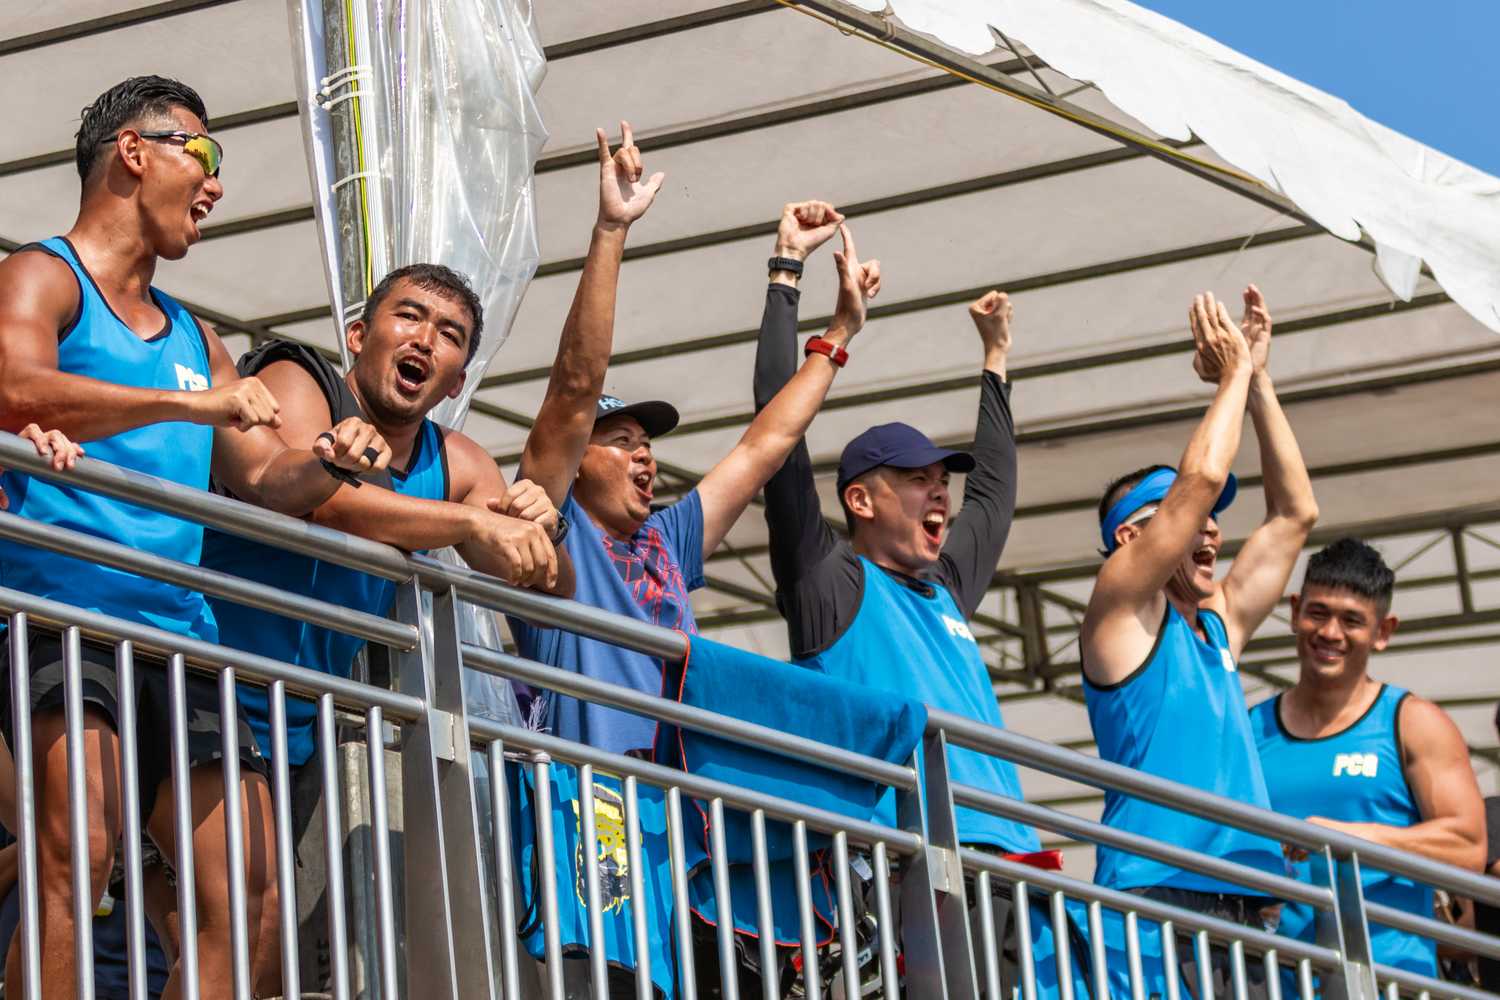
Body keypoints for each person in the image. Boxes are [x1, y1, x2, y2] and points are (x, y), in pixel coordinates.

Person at [0, 76, 391, 999]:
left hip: (182, 636)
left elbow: (261, 477)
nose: (216, 185)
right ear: (134, 152)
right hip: (66, 609)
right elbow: (15, 389)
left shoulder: (195, 334)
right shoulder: (41, 274)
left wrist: (334, 459)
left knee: (253, 901)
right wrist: (190, 400)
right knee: (79, 856)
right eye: (204, 156)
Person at [189, 260, 568, 987]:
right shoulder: (302, 381)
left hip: (297, 733)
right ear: (359, 334)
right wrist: (466, 523)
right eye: (409, 317)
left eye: (450, 334)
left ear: (456, 381)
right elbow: (320, 502)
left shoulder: (454, 458)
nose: (426, 338)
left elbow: (535, 576)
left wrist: (539, 528)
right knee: (231, 931)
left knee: (257, 955)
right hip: (200, 688)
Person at [753, 202, 1068, 996]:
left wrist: (995, 362)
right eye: (921, 481)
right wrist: (790, 279)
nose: (943, 498)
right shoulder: (833, 584)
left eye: (941, 483)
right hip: (905, 858)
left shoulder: (946, 588)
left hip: (1008, 860)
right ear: (861, 501)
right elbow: (776, 439)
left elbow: (993, 491)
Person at [508, 164, 879, 759]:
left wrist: (837, 330)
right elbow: (575, 387)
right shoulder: (552, 524)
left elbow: (766, 445)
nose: (645, 456)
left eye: (648, 445)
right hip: (588, 803)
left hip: (680, 818)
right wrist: (611, 228)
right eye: (623, 441)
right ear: (575, 461)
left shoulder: (667, 539)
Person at [1080, 287, 1319, 995]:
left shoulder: (1215, 627)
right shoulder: (1121, 611)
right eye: (1191, 519)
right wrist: (1231, 375)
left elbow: (1296, 514)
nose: (1211, 528)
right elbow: (1203, 476)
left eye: (1215, 520)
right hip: (1157, 895)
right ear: (1131, 538)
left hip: (1246, 903)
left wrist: (1261, 380)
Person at [1252, 538, 1485, 977]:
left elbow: (1468, 847)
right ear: (1295, 610)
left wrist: (1345, 841)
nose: (1330, 633)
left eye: (1351, 620)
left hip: (1390, 981)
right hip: (1277, 982)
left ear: (1383, 631)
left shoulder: (1412, 722)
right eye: (1318, 612)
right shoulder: (1249, 731)